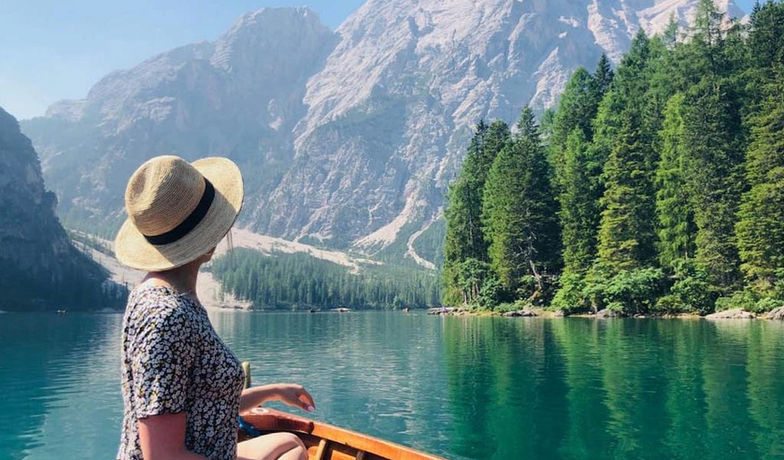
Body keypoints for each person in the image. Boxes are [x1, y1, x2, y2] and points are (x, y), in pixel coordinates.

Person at [115, 155, 315, 460]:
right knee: (293, 452)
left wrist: (274, 391)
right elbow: (163, 456)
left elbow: (205, 403)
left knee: (290, 444)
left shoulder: (155, 296)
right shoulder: (168, 317)